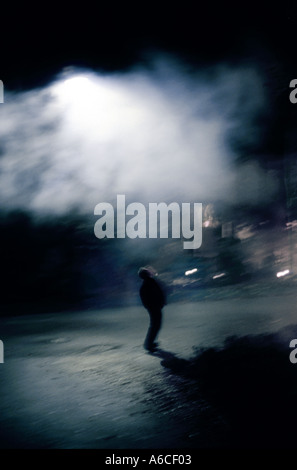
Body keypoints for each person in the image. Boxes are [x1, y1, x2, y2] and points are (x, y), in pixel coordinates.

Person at [138, 267, 166, 353]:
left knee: (155, 325)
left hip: (153, 307)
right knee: (155, 325)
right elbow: (159, 292)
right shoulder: (150, 282)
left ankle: (150, 343)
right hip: (155, 306)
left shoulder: (146, 283)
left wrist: (148, 306)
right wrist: (161, 302)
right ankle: (148, 344)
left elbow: (144, 297)